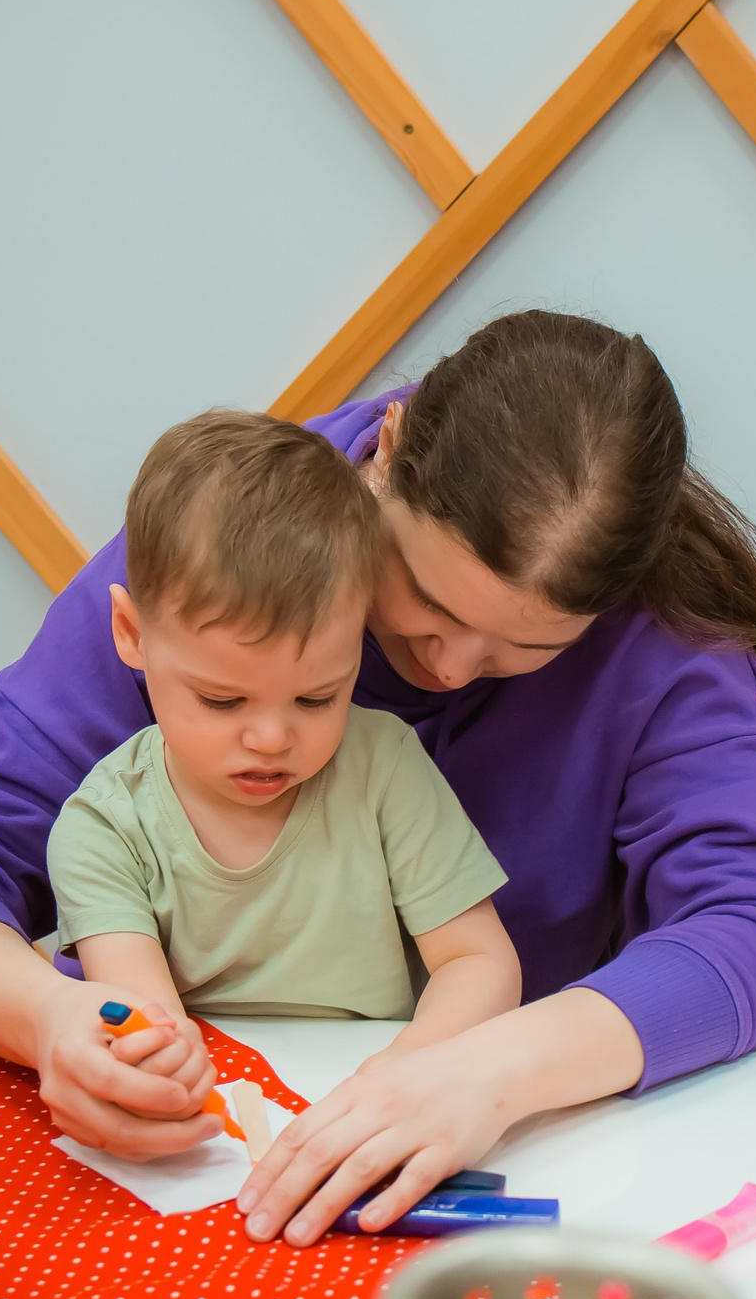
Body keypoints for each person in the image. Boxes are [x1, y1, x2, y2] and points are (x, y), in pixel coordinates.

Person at [0, 312, 756, 1242]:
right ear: (388, 458)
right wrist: (49, 1020)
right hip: (182, 1159)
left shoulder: (667, 645)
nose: (446, 669)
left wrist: (487, 1074)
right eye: (423, 600)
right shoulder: (240, 537)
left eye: (519, 649)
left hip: (482, 1165)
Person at [51, 410, 519, 1059]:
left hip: (383, 1097)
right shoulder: (106, 828)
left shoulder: (384, 768)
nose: (272, 738)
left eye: (316, 696)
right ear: (132, 634)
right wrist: (161, 1068)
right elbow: (147, 1024)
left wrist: (409, 1071)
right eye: (222, 699)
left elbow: (479, 960)